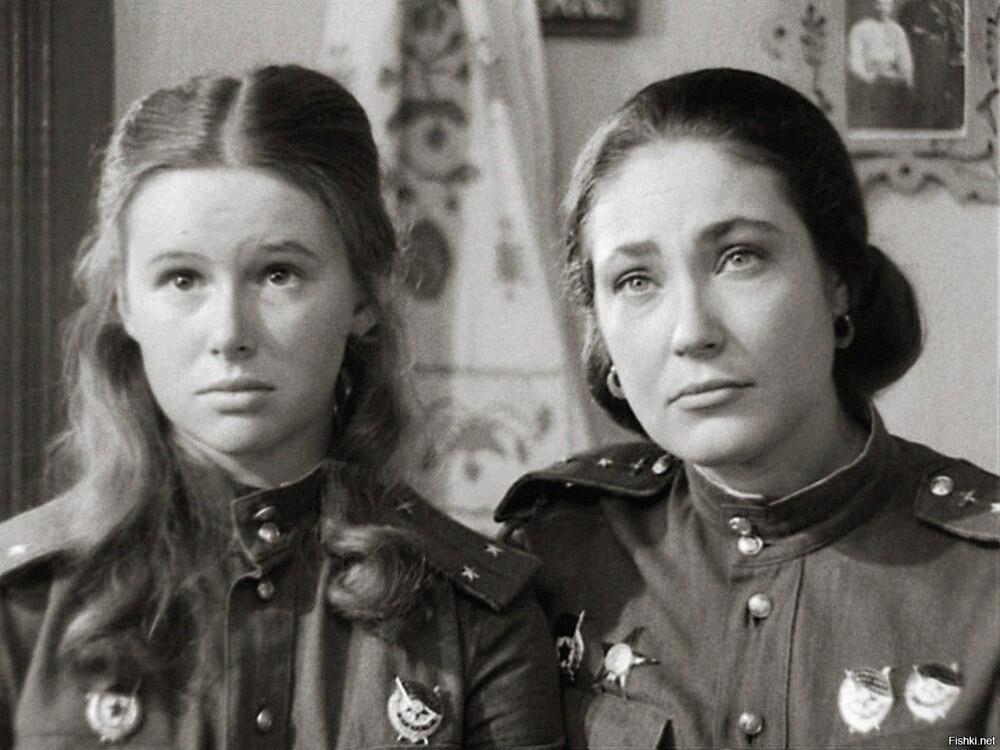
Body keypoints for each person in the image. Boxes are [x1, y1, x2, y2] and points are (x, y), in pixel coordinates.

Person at [0, 64, 562, 749]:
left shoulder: (476, 616)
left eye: (278, 274)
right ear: (125, 302)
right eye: (182, 278)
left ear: (364, 295)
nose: (229, 333)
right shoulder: (20, 605)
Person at [496, 68, 998, 748]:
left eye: (740, 258)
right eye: (636, 280)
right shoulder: (553, 553)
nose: (691, 331)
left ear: (838, 281)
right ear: (602, 336)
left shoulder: (985, 583)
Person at [847, 0, 914, 128]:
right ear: (872, 5)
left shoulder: (897, 30)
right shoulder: (860, 28)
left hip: (892, 81)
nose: (882, 8)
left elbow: (905, 60)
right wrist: (869, 78)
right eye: (879, 4)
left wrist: (905, 78)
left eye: (886, 4)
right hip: (868, 81)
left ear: (892, 6)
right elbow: (855, 62)